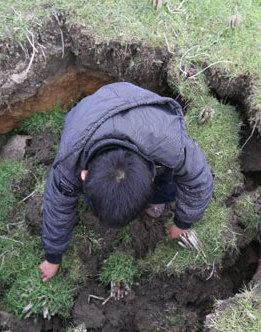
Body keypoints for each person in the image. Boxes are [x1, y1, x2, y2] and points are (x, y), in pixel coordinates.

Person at [38, 82, 213, 282]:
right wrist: (53, 256)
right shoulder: (69, 161)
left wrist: (183, 221)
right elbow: (57, 207)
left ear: (151, 174)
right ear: (83, 175)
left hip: (144, 108)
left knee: (170, 183)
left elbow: (198, 179)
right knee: (66, 193)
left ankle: (157, 198)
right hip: (91, 112)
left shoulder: (168, 143)